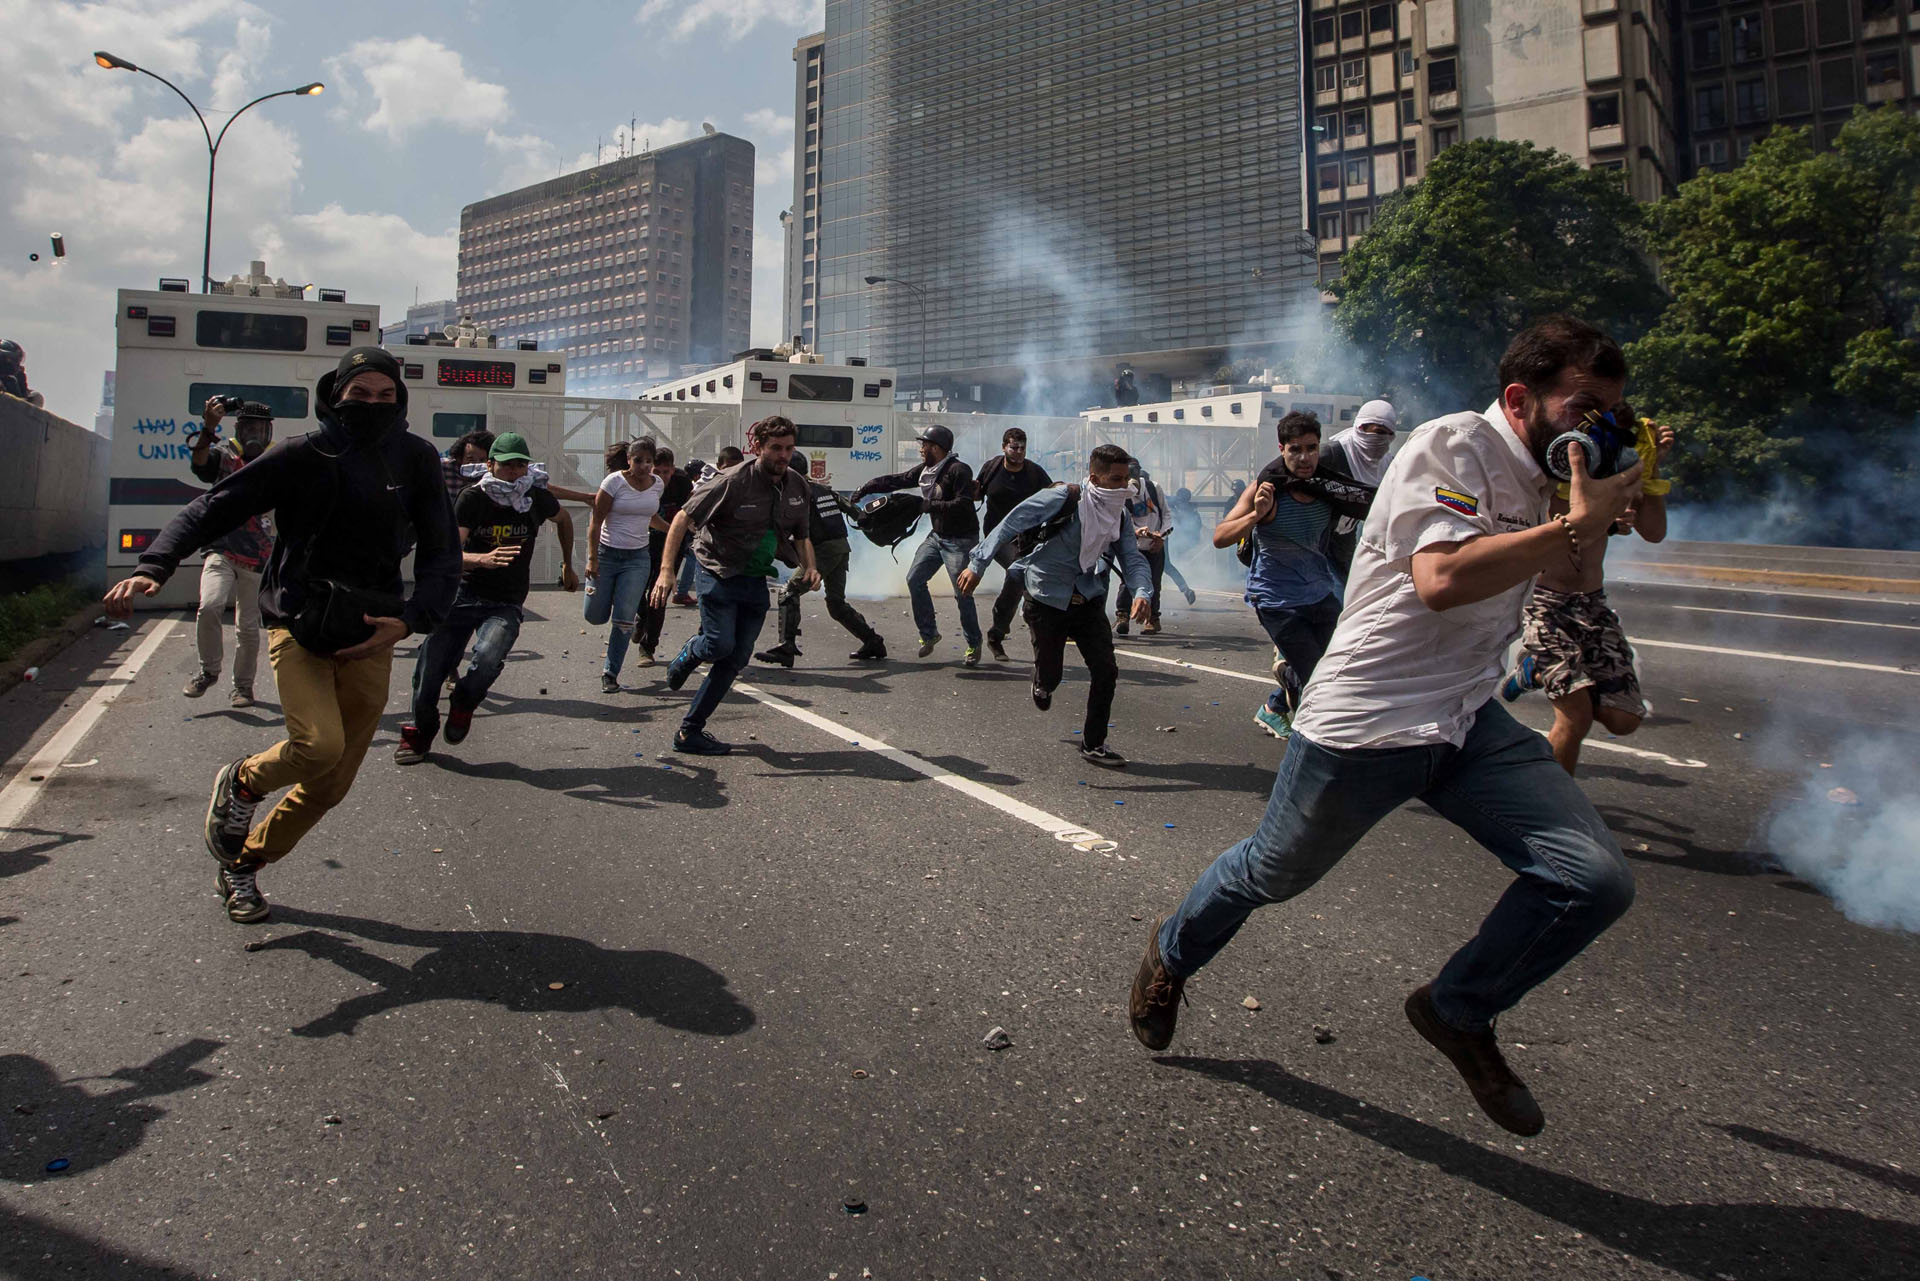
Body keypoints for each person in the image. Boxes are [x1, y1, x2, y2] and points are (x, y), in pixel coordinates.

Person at [1129, 316, 1646, 1139]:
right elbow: (1440, 580)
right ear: (1521, 399)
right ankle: (1173, 952)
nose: (1597, 428)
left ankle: (1457, 1007)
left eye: (1610, 413)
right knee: (1273, 871)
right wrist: (1572, 522)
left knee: (1593, 879)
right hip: (1368, 721)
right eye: (1585, 408)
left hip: (1467, 719)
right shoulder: (1454, 446)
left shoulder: (1554, 477)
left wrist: (1599, 505)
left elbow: (1574, 574)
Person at [103, 347, 459, 925]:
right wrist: (153, 565)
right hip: (296, 619)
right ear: (336, 394)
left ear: (400, 400)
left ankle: (243, 865)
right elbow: (213, 507)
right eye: (360, 393)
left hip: (374, 629)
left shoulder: (415, 458)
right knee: (318, 746)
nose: (372, 404)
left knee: (330, 784)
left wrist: (413, 619)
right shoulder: (301, 454)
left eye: (385, 395)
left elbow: (443, 548)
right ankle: (243, 783)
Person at [1503, 410, 1677, 773]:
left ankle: (1536, 670)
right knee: (1575, 718)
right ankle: (1551, 811)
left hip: (1591, 604)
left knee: (1623, 719)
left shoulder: (1615, 473)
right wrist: (1598, 519)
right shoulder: (1547, 469)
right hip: (1543, 602)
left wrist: (1649, 470)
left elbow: (1655, 531)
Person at [957, 444, 1153, 768]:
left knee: (1106, 670)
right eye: (1116, 480)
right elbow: (1009, 523)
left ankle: (1094, 744)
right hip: (1046, 598)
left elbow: (1131, 558)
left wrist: (1143, 592)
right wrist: (976, 564)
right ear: (1095, 477)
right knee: (1052, 676)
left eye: (1126, 479)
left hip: (1088, 597)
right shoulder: (1064, 498)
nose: (1123, 487)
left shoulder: (1118, 514)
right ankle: (1042, 682)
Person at [396, 432, 578, 765]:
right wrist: (481, 559)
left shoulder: (534, 497)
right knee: (429, 673)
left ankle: (464, 703)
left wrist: (568, 563)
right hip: (460, 596)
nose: (513, 472)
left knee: (487, 660)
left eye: (520, 465)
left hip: (505, 600)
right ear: (490, 464)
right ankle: (420, 734)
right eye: (507, 465)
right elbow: (447, 552)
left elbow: (563, 518)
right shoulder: (473, 498)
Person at [650, 417, 817, 756]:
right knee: (717, 644)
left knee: (737, 657)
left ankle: (689, 732)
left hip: (755, 577)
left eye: (788, 448)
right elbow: (683, 518)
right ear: (757, 447)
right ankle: (690, 652)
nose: (782, 455)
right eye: (775, 448)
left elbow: (802, 535)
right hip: (717, 570)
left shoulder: (798, 485)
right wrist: (666, 571)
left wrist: (810, 567)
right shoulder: (733, 480)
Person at [1215, 411, 1345, 740]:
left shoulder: (1328, 489)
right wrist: (1257, 515)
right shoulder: (1266, 489)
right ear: (1281, 449)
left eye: (1312, 448)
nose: (1305, 458)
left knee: (1343, 668)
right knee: (1316, 678)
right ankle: (1314, 744)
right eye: (1295, 449)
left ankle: (1280, 694)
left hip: (1320, 593)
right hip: (1276, 600)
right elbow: (1220, 537)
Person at [853, 424, 982, 664]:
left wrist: (928, 506)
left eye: (924, 445)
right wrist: (866, 488)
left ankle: (974, 643)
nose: (921, 449)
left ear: (937, 448)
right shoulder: (927, 470)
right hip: (937, 537)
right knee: (914, 578)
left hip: (961, 540)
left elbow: (964, 504)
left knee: (962, 593)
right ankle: (929, 634)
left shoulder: (958, 470)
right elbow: (898, 480)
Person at [182, 397, 275, 708]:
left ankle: (243, 688)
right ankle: (208, 671)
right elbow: (199, 464)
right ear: (238, 428)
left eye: (259, 428)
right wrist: (209, 427)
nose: (254, 434)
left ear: (268, 431)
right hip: (220, 549)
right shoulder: (225, 456)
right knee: (209, 606)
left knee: (247, 628)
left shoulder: (276, 461)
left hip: (259, 559)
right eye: (248, 426)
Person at [756, 474, 886, 665]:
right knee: (836, 603)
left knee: (789, 592)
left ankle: (786, 647)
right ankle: (872, 641)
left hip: (823, 550)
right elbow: (853, 510)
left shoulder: (794, 494)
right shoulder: (822, 490)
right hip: (841, 548)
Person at [585, 439, 663, 692]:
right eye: (638, 460)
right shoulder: (614, 482)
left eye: (648, 461)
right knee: (595, 616)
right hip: (607, 556)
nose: (644, 466)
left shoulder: (657, 484)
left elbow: (651, 518)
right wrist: (592, 558)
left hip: (638, 559)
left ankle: (610, 673)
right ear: (629, 459)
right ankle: (600, 597)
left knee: (623, 620)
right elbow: (596, 522)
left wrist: (677, 529)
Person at [971, 427, 1052, 661]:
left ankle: (1007, 630)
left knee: (1029, 578)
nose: (1018, 452)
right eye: (1014, 447)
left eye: (1022, 448)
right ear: (1004, 447)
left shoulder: (1035, 473)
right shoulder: (992, 468)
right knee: (1017, 572)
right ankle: (997, 634)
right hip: (997, 537)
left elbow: (1051, 497)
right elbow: (978, 495)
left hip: (1027, 537)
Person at [633, 445, 697, 667]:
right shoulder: (640, 483)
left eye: (666, 472)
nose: (662, 477)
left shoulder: (681, 482)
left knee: (659, 597)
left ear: (673, 469)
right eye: (657, 472)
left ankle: (647, 648)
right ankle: (640, 619)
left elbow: (690, 510)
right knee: (637, 592)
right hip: (642, 543)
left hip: (672, 546)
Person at [1326, 400, 1399, 578]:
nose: (1378, 440)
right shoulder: (1332, 454)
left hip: (1347, 538)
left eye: (1385, 434)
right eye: (1374, 432)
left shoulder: (1389, 464)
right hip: (1319, 538)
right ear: (1359, 427)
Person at [671, 448, 740, 606]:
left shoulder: (713, 479)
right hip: (698, 528)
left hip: (700, 529)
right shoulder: (707, 482)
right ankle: (683, 592)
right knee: (693, 558)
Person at [1113, 460, 1172, 636]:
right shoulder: (1121, 493)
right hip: (1134, 545)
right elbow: (1120, 519)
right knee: (1127, 580)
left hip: (1155, 545)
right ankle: (1123, 616)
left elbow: (1167, 514)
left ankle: (1153, 619)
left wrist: (1161, 536)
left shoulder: (1154, 488)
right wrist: (1136, 532)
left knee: (1154, 582)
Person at [441, 430, 495, 505]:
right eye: (470, 459)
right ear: (460, 458)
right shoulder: (444, 468)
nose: (476, 464)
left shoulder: (491, 477)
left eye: (482, 460)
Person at [0, 339, 42, 407]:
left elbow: (21, 399)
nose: (17, 365)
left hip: (9, 413)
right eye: (15, 361)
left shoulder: (12, 381)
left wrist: (23, 387)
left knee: (36, 396)